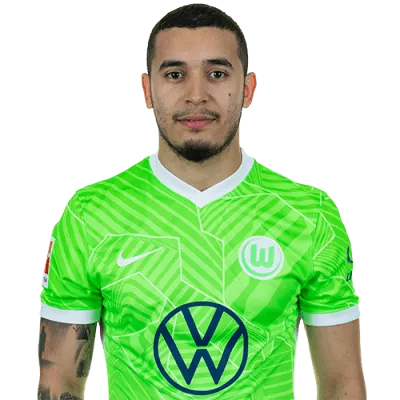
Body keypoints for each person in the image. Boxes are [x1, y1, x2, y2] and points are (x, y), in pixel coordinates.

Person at [37, 3, 367, 399]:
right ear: (147, 90)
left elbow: (342, 383)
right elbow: (59, 383)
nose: (196, 95)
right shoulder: (90, 217)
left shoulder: (310, 216)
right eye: (175, 75)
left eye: (217, 74)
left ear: (248, 89)